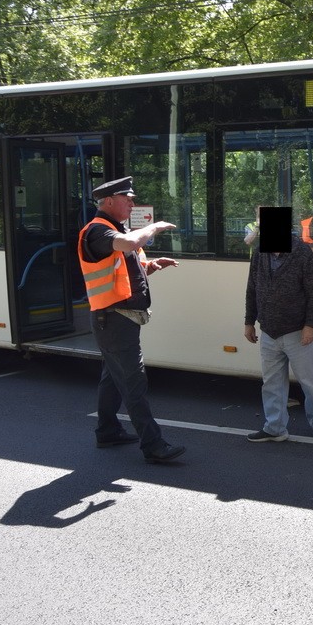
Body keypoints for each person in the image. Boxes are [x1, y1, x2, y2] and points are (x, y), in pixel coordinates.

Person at [77, 176, 185, 464]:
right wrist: (153, 227)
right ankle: (153, 445)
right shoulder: (98, 231)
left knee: (113, 377)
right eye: (128, 198)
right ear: (109, 201)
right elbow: (127, 244)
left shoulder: (114, 229)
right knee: (133, 381)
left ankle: (108, 431)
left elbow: (124, 272)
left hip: (118, 318)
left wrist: (152, 265)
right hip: (112, 319)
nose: (132, 203)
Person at [244, 229, 313, 441]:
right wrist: (249, 321)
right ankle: (275, 427)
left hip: (298, 331)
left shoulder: (302, 253)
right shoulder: (259, 253)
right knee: (272, 383)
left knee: (309, 382)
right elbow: (252, 289)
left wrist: (310, 326)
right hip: (269, 331)